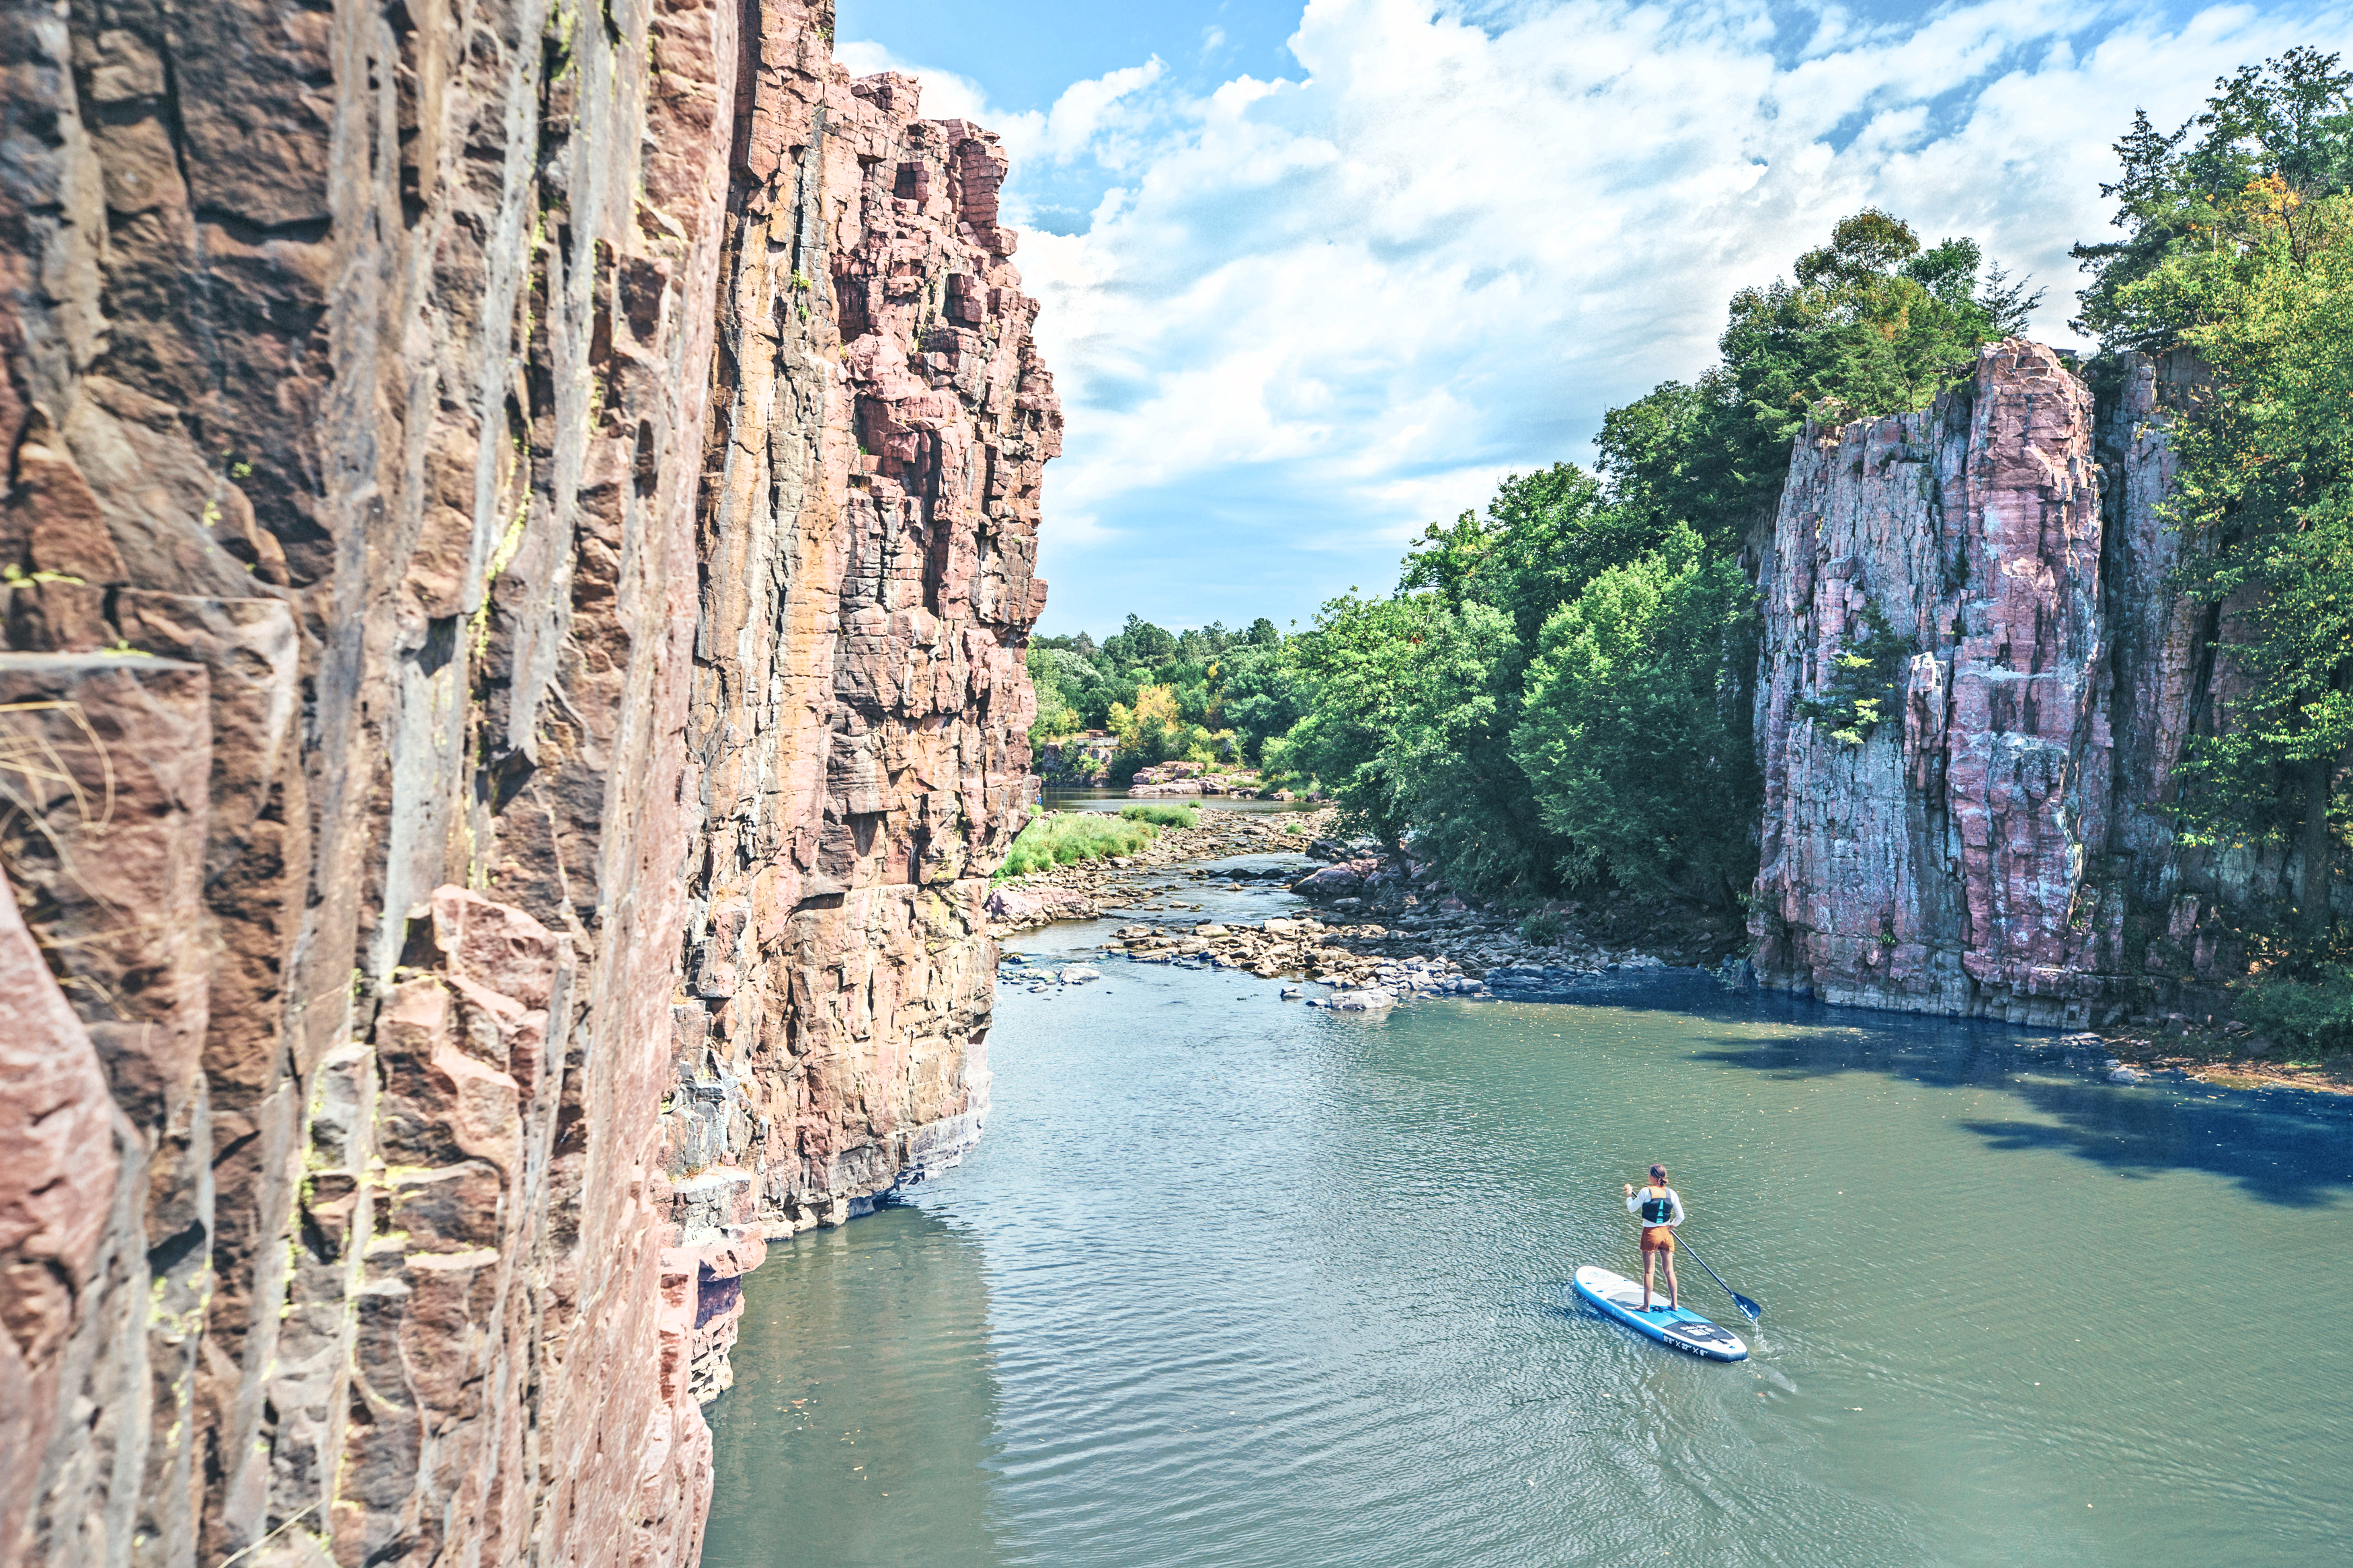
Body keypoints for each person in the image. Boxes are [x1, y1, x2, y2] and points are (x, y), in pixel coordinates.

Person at [1623, 1164, 1684, 1311]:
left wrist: (1629, 1195)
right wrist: (1672, 1226)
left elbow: (1631, 1209)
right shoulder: (1672, 1193)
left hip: (1651, 1234)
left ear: (1654, 1177)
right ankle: (1675, 1304)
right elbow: (1681, 1217)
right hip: (1666, 1234)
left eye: (1649, 1174)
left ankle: (1646, 1306)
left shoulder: (1645, 1191)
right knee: (1669, 1271)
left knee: (1649, 1271)